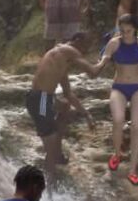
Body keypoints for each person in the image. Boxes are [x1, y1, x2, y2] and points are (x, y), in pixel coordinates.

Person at [93, 15, 138, 186]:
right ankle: (117, 154)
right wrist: (98, 66)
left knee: (136, 126)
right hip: (119, 87)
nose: (125, 34)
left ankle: (132, 170)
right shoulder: (114, 43)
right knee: (118, 120)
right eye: (122, 31)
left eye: (128, 31)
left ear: (135, 29)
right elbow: (105, 58)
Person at [26, 33, 99, 180]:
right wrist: (107, 57)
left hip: (44, 98)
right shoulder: (68, 50)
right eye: (86, 46)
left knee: (65, 107)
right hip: (40, 99)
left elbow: (68, 94)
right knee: (50, 145)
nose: (86, 51)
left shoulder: (60, 60)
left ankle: (57, 155)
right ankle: (50, 180)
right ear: (77, 41)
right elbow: (93, 72)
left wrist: (86, 115)